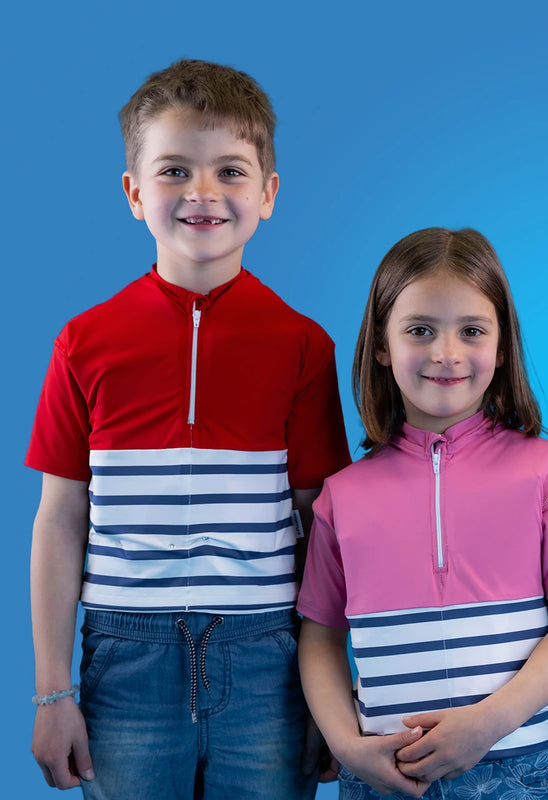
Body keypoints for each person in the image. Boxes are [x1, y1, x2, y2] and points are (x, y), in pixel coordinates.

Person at [26, 59, 351, 798]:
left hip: (267, 657)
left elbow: (319, 528)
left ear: (267, 194)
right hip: (123, 657)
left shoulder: (302, 345)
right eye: (174, 170)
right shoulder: (84, 342)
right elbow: (59, 519)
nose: (202, 192)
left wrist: (330, 690)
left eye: (230, 172)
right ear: (134, 192)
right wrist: (53, 692)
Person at [297, 227, 548, 799]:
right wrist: (346, 746)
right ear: (383, 345)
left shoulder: (546, 471)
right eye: (420, 330)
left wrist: (488, 724)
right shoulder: (342, 495)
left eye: (472, 331)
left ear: (501, 344)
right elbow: (319, 640)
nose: (447, 354)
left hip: (516, 771)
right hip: (382, 777)